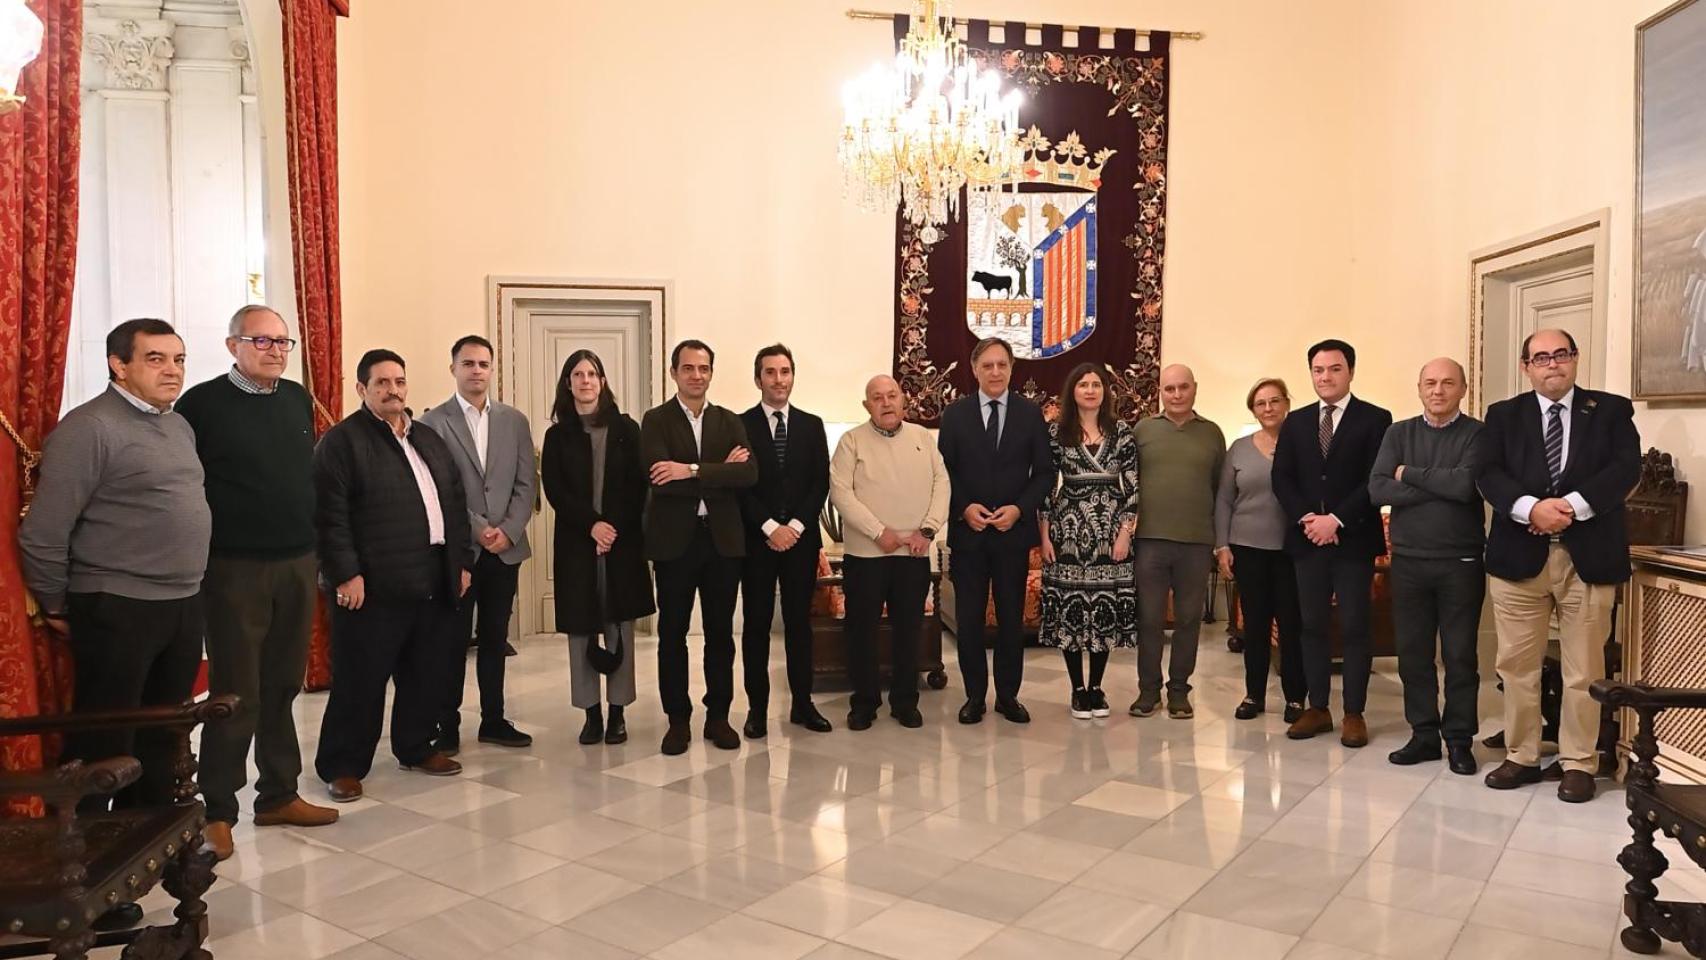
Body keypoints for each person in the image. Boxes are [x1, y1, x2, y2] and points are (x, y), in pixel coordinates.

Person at [19, 319, 209, 932]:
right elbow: (43, 533)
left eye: (178, 358)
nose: (173, 369)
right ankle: (75, 874)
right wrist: (56, 606)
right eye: (155, 359)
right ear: (117, 365)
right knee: (106, 745)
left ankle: (137, 862)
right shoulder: (89, 428)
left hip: (180, 603)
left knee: (160, 741)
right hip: (117, 605)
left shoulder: (176, 425)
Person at [176, 305, 337, 862]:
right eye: (261, 341)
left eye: (282, 342)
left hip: (295, 560)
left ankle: (279, 793)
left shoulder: (296, 399)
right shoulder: (200, 404)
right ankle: (218, 810)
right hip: (233, 568)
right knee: (234, 693)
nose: (274, 351)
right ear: (232, 345)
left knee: (283, 685)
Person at [1478, 329, 1639, 803]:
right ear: (1527, 366)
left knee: (1583, 667)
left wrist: (1567, 506)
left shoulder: (1609, 411)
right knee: (1517, 665)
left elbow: (1625, 469)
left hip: (1587, 556)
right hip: (1518, 559)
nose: (1553, 364)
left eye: (1561, 355)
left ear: (1575, 359)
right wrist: (1531, 508)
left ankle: (1578, 762)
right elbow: (1487, 473)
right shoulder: (1503, 415)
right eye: (1541, 357)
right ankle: (1521, 755)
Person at [313, 349, 474, 802]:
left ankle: (416, 747)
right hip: (373, 585)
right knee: (361, 680)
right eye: (382, 383)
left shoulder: (427, 438)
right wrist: (345, 574)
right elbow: (330, 517)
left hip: (432, 578)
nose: (393, 390)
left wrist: (460, 564)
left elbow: (455, 504)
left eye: (399, 381)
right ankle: (343, 766)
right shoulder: (342, 442)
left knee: (426, 672)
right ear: (362, 390)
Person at [1271, 338, 1392, 747]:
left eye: (1334, 369)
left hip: (1353, 540)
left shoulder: (1376, 419)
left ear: (1351, 371)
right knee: (1311, 626)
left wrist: (1336, 519)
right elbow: (1282, 478)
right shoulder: (1297, 420)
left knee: (1356, 626)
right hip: (1308, 541)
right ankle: (1318, 707)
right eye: (1318, 370)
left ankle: (1353, 712)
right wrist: (1309, 519)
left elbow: (1375, 480)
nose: (1326, 377)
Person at [640, 339, 758, 755]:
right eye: (688, 368)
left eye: (703, 368)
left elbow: (747, 476)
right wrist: (718, 472)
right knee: (672, 634)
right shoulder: (655, 420)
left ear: (711, 373)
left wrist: (688, 469)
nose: (696, 375)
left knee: (720, 635)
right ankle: (677, 720)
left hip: (722, 542)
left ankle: (718, 716)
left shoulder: (728, 421)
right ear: (674, 373)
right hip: (675, 543)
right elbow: (659, 480)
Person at [420, 335, 536, 754]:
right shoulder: (433, 423)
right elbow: (439, 488)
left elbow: (527, 484)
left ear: (492, 369)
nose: (476, 371)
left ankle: (494, 719)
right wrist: (478, 529)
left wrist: (508, 530)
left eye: (484, 364)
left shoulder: (514, 421)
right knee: (451, 641)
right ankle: (446, 723)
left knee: (494, 638)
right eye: (467, 363)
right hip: (459, 553)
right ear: (453, 368)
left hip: (506, 550)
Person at [1369, 358, 1485, 776]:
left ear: (1463, 389)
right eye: (1430, 383)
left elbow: (1465, 486)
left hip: (1461, 561)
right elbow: (1378, 488)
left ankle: (1458, 740)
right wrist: (1439, 485)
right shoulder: (1398, 432)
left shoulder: (1477, 433)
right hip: (1409, 561)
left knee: (1459, 655)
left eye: (1448, 383)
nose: (1438, 390)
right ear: (1419, 388)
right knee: (1413, 655)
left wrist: (1410, 475)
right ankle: (1422, 735)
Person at [540, 349, 653, 745]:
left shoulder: (627, 428)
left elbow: (638, 487)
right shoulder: (556, 435)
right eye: (577, 374)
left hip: (620, 543)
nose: (585, 380)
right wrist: (592, 525)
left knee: (618, 623)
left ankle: (618, 713)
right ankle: (590, 714)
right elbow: (555, 490)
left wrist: (611, 528)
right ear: (567, 383)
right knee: (581, 626)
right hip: (577, 542)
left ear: (603, 382)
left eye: (592, 373)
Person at [937, 337, 1052, 725]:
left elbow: (1045, 474)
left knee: (1009, 619)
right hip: (968, 535)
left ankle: (1007, 695)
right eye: (987, 365)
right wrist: (963, 507)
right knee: (969, 620)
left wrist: (1019, 509)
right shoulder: (954, 415)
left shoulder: (1029, 413)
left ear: (1011, 368)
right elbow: (944, 472)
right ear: (974, 370)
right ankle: (973, 696)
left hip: (1011, 535)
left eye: (1002, 364)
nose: (995, 372)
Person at [830, 375, 949, 729]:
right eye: (877, 397)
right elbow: (840, 493)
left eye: (892, 396)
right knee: (862, 631)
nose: (886, 403)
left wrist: (927, 529)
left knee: (908, 631)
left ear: (903, 400)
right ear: (867, 406)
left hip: (912, 554)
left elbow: (941, 484)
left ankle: (904, 701)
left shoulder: (923, 439)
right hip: (866, 557)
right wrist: (877, 532)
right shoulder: (851, 442)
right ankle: (864, 703)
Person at [738, 344, 833, 738]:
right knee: (757, 626)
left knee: (799, 625)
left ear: (793, 376)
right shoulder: (738, 425)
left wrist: (793, 526)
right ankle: (757, 709)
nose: (779, 379)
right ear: (758, 378)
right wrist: (768, 527)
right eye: (770, 372)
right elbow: (739, 485)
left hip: (800, 542)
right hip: (756, 543)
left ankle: (802, 704)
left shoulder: (812, 425)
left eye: (785, 371)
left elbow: (820, 482)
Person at [1038, 362, 1138, 720]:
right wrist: (1045, 536)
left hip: (1111, 532)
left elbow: (1134, 487)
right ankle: (1077, 690)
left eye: (1097, 384)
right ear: (1073, 391)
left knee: (1104, 610)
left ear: (1105, 391)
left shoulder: (1122, 432)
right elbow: (1047, 489)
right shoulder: (1055, 432)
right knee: (1073, 610)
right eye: (1083, 384)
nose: (1091, 390)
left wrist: (1126, 532)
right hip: (1067, 531)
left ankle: (1097, 686)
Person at [1131, 364, 1225, 719]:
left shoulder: (1212, 433)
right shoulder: (1143, 430)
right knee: (1150, 619)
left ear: (1195, 389)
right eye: (1169, 389)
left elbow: (1220, 490)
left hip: (1196, 543)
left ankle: (1179, 691)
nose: (1176, 394)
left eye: (1183, 387)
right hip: (1151, 541)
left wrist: (1219, 541)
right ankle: (1148, 691)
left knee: (1188, 620)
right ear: (1161, 392)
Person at [1215, 378, 1306, 723]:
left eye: (1274, 401)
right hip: (1247, 548)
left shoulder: (1302, 444)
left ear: (1286, 404)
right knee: (1254, 626)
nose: (1268, 408)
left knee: (1291, 625)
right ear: (1253, 409)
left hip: (1291, 550)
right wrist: (1222, 545)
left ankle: (1296, 698)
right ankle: (1253, 694)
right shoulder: (1238, 448)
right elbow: (1224, 499)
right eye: (1260, 403)